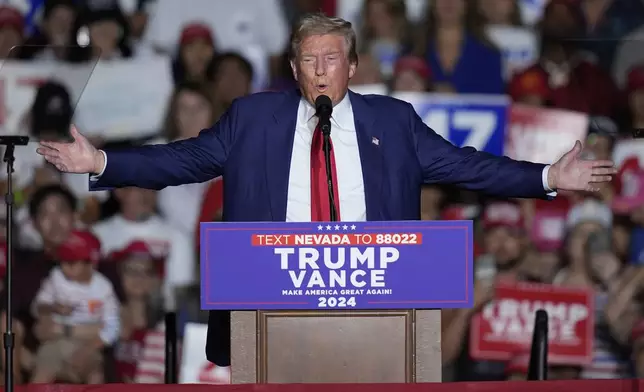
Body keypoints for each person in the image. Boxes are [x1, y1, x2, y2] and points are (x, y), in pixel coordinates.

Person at [37, 13, 616, 370]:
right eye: (308, 59)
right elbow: (185, 158)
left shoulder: (393, 121)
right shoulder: (251, 118)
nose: (319, 69)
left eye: (330, 59)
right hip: (269, 295)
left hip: (375, 296)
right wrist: (104, 160)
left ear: (353, 66)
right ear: (293, 68)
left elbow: (467, 167)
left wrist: (545, 177)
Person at [30, 230, 120, 383]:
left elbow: (112, 328)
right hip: (55, 343)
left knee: (95, 375)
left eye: (72, 262)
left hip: (87, 344)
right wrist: (53, 307)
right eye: (63, 260)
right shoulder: (56, 277)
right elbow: (37, 306)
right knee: (41, 375)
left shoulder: (103, 288)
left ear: (91, 263)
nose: (65, 266)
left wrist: (87, 350)